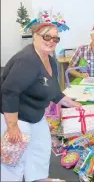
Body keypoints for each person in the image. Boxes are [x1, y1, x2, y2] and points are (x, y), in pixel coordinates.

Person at [0, 21, 81, 182]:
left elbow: (52, 91)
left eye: (55, 39)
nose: (51, 41)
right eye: (46, 36)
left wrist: (71, 103)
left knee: (41, 149)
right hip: (17, 117)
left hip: (36, 115)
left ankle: (38, 179)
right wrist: (12, 126)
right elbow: (9, 92)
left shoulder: (50, 61)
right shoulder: (27, 60)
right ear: (35, 37)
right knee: (13, 160)